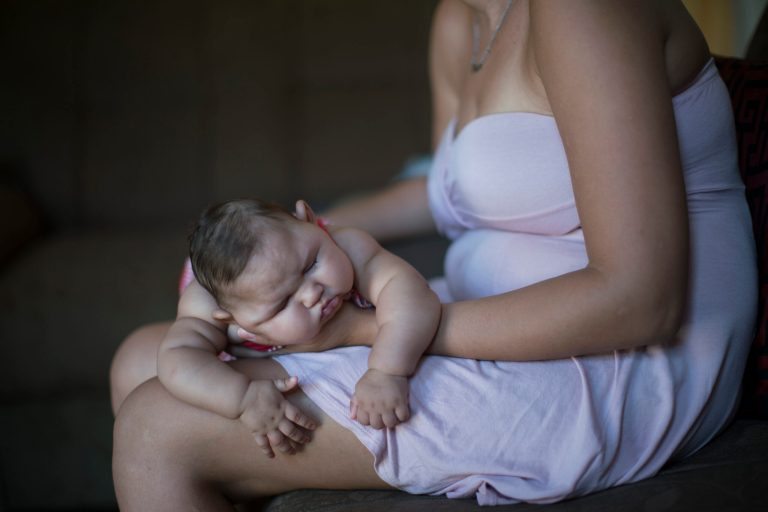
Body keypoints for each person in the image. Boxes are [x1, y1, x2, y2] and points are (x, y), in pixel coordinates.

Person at [110, 0, 757, 508]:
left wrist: (364, 328)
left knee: (155, 430)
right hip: (484, 314)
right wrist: (278, 251)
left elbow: (641, 302)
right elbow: (455, 185)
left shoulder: (579, 8)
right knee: (143, 356)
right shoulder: (461, 19)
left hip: (618, 360)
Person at [157, 198, 440, 457]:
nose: (311, 294)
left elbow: (414, 296)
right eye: (283, 303)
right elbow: (176, 360)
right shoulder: (205, 306)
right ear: (231, 320)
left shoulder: (348, 246)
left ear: (309, 220)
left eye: (310, 265)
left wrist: (387, 371)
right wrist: (241, 398)